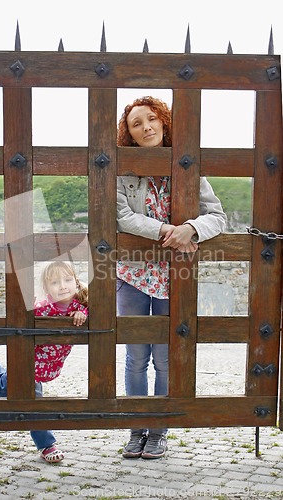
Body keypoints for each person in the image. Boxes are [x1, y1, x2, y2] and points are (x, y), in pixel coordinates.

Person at [116, 96, 227, 459]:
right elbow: (121, 218)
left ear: (163, 124)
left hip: (173, 275)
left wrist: (192, 228)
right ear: (129, 135)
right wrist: (169, 230)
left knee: (164, 358)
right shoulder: (123, 171)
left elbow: (217, 217)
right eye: (137, 123)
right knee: (135, 357)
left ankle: (159, 430)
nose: (146, 127)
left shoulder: (188, 167)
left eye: (152, 120)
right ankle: (136, 430)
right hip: (131, 274)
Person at [0, 261, 88, 463]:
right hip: (27, 363)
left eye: (68, 280)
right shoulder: (42, 307)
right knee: (13, 393)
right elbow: (20, 319)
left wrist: (83, 314)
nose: (63, 286)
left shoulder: (80, 306)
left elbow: (95, 311)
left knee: (15, 392)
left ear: (76, 282)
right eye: (55, 282)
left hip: (47, 368)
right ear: (47, 288)